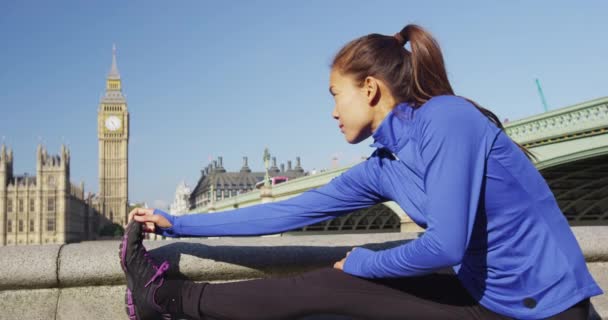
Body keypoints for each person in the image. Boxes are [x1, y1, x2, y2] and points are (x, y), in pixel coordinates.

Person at [119, 24, 603, 320]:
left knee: (334, 282)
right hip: (488, 297)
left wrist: (362, 262)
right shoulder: (382, 166)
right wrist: (177, 223)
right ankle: (164, 299)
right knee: (323, 285)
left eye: (335, 93)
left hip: (544, 310)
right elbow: (287, 213)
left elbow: (447, 245)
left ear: (370, 88)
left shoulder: (447, 119)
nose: (332, 111)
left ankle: (164, 299)